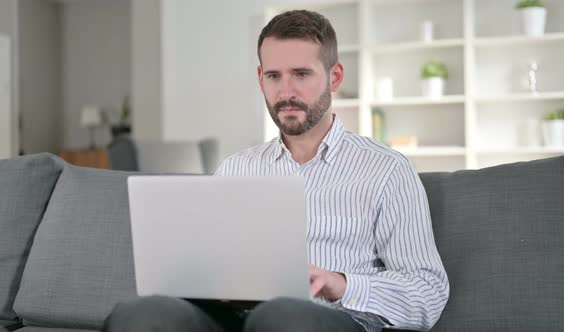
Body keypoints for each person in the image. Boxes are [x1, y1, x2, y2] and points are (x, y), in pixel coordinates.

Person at [104, 9, 449, 332]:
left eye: (301, 74)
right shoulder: (237, 168)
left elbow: (427, 291)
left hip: (330, 317)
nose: (286, 92)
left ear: (335, 77)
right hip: (235, 318)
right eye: (274, 76)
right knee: (141, 313)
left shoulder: (387, 170)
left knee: (281, 314)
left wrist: (339, 283)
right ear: (260, 79)